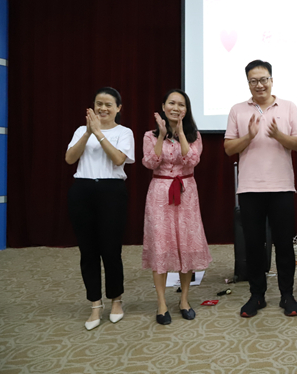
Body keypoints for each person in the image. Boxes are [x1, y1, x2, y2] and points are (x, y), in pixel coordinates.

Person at [224, 60, 297, 318]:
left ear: (271, 80)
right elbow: (228, 148)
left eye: (263, 79)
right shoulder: (237, 110)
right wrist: (248, 137)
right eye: (253, 81)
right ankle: (256, 295)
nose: (259, 85)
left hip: (281, 186)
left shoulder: (288, 107)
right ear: (248, 83)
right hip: (250, 187)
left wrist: (278, 135)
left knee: (284, 244)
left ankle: (287, 295)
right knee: (253, 244)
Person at [65, 87, 135, 331]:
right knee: (88, 251)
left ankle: (116, 300)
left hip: (111, 192)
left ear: (118, 108)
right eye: (98, 104)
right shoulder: (80, 131)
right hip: (82, 190)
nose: (102, 108)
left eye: (108, 104)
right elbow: (70, 159)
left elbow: (118, 159)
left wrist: (99, 134)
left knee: (111, 250)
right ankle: (95, 303)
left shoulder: (124, 132)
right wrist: (88, 133)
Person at [142, 89, 212, 325]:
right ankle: (161, 303)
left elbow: (192, 160)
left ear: (186, 110)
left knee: (187, 244)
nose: (176, 108)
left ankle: (184, 299)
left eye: (181, 104)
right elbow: (150, 162)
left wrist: (181, 134)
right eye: (171, 103)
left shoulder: (194, 136)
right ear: (163, 107)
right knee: (160, 244)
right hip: (160, 193)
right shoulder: (150, 136)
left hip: (186, 192)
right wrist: (162, 136)